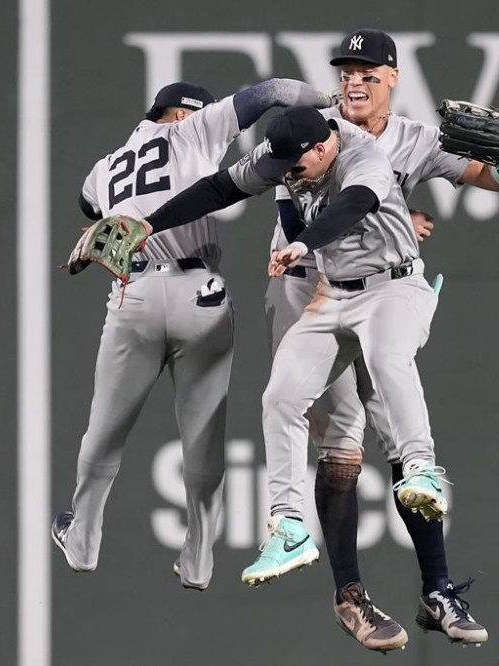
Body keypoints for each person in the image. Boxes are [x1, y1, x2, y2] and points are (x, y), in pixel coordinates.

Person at [137, 105, 453, 650]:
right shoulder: (290, 152)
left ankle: (422, 469)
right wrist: (147, 222)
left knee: (386, 358)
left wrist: (305, 243)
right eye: (279, 164)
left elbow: (353, 204)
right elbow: (219, 189)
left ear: (324, 145)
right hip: (333, 297)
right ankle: (288, 525)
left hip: (393, 287)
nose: (286, 172)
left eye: (295, 164)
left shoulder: (362, 156)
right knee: (280, 397)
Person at [264, 29, 499, 651]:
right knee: (343, 441)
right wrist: (390, 216)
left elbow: (492, 177)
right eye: (347, 71)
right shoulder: (312, 129)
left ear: (393, 79)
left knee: (398, 427)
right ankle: (348, 595)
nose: (355, 81)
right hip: (308, 284)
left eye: (369, 72)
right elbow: (298, 215)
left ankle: (437, 589)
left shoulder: (414, 138)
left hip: (378, 289)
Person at [51, 79, 332, 591]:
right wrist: (329, 107)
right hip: (200, 294)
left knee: (104, 431)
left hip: (132, 292)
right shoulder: (193, 130)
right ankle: (199, 559)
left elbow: (88, 206)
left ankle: (83, 539)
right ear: (180, 114)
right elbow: (274, 92)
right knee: (202, 439)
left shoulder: (104, 168)